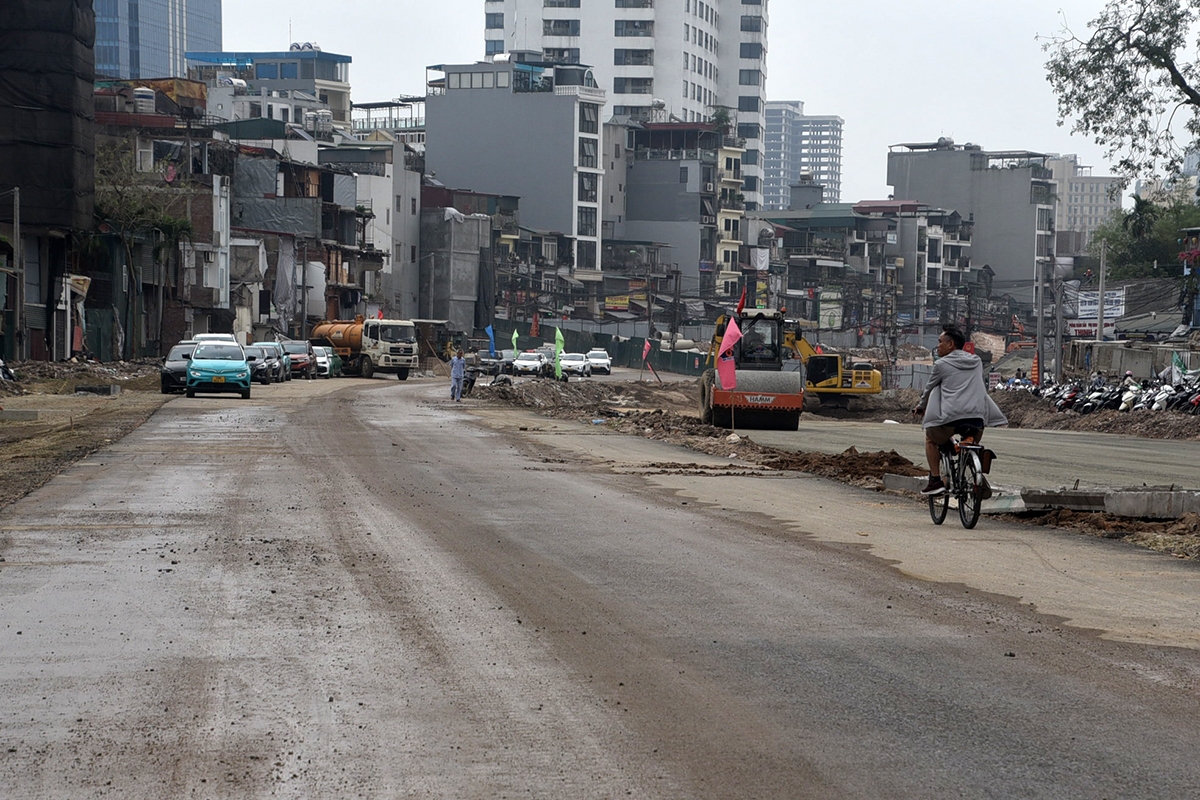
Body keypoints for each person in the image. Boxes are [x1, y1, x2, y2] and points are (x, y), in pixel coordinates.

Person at [913, 325, 1008, 496]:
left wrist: (921, 407)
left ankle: (935, 481)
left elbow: (928, 389)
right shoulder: (977, 361)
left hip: (951, 420)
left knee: (930, 438)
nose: (938, 346)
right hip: (977, 419)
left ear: (951, 345)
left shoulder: (941, 365)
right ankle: (973, 468)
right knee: (971, 439)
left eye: (940, 342)